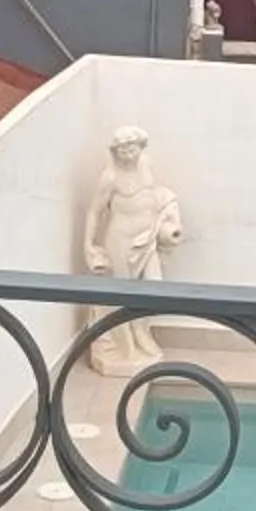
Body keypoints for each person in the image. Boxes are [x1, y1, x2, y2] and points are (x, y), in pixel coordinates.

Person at [83, 126, 183, 374]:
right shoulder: (110, 177)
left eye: (132, 148)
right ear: (115, 152)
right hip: (120, 240)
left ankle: (140, 331)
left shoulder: (148, 164)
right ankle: (126, 346)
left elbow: (158, 195)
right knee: (123, 294)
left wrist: (167, 217)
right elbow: (95, 211)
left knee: (154, 287)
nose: (128, 154)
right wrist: (88, 244)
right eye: (122, 150)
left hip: (147, 239)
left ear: (141, 146)